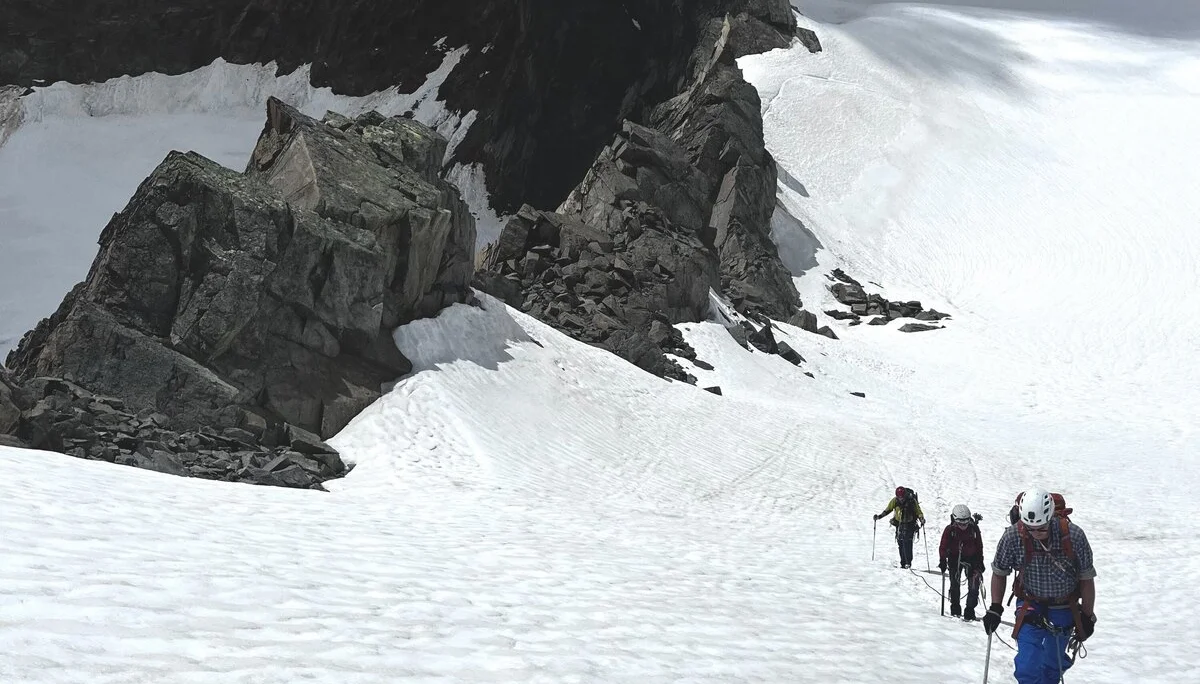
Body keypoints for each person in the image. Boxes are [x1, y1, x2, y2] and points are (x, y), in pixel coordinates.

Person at [982, 488, 1097, 684]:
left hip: (1064, 605)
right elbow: (999, 572)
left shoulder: (1073, 536)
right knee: (1027, 664)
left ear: (1051, 517)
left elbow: (1086, 578)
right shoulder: (1012, 536)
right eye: (1030, 528)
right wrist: (995, 607)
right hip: (1031, 603)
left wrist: (1087, 615)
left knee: (1053, 664)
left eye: (1041, 528)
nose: (1035, 534)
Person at [938, 504, 985, 620]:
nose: (963, 526)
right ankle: (955, 608)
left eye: (965, 523)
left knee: (974, 586)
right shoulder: (950, 530)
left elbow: (979, 545)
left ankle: (970, 610)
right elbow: (943, 546)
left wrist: (980, 561)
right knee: (955, 584)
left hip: (972, 559)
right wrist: (943, 560)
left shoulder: (974, 529)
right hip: (954, 559)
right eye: (960, 523)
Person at [873, 486, 925, 569]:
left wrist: (921, 518)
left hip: (910, 524)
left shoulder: (911, 501)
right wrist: (879, 517)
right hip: (899, 525)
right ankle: (903, 562)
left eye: (902, 497)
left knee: (908, 543)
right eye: (899, 497)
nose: (901, 499)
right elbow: (888, 510)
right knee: (901, 543)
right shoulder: (894, 501)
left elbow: (918, 511)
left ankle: (908, 562)